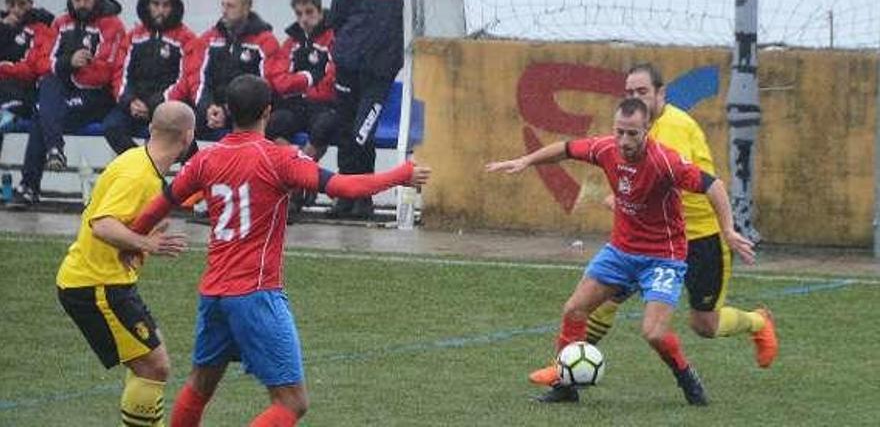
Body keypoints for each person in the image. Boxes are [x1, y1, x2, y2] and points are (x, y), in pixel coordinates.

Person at [126, 74, 430, 426]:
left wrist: (132, 239)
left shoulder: (205, 160)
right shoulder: (278, 158)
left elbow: (160, 203)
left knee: (201, 384)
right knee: (291, 402)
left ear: (227, 111)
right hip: (255, 294)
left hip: (214, 293)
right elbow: (344, 187)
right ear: (268, 112)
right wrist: (401, 173)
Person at [486, 98, 755, 405]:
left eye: (633, 134)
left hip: (663, 257)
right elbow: (565, 148)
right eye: (620, 132)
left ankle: (686, 376)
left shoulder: (664, 161)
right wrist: (526, 161)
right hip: (621, 253)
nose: (625, 141)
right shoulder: (605, 149)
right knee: (574, 309)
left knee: (653, 333)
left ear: (648, 129)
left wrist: (729, 229)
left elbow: (713, 185)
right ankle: (565, 386)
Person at [583, 63, 778, 368]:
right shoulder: (637, 128)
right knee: (606, 300)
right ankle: (566, 369)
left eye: (643, 91)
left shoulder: (674, 128)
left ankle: (758, 322)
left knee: (704, 325)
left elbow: (667, 180)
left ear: (661, 93)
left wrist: (622, 197)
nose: (636, 98)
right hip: (655, 243)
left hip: (701, 238)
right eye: (630, 92)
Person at [55, 101, 194, 426]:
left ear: (151, 129)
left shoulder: (134, 159)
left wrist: (135, 241)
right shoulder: (139, 175)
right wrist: (146, 243)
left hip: (107, 280)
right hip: (95, 285)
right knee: (154, 366)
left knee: (151, 362)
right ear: (187, 137)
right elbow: (101, 224)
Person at [10, 0, 124, 208]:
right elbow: (42, 64)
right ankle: (51, 154)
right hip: (65, 93)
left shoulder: (111, 24)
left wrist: (66, 71)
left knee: (43, 111)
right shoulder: (61, 23)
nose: (81, 4)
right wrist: (68, 63)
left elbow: (102, 72)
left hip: (97, 98)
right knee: (48, 87)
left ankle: (30, 185)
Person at [328, 0, 404, 219]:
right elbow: (335, 20)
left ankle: (363, 194)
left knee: (363, 132)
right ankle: (347, 195)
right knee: (346, 132)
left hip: (379, 75)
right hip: (348, 70)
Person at [103, 0, 196, 155]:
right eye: (155, 4)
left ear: (174, 6)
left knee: (178, 134)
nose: (160, 10)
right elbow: (120, 75)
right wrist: (130, 101)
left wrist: (157, 104)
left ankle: (186, 179)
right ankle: (142, 167)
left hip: (167, 106)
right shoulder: (133, 37)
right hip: (135, 104)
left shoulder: (186, 38)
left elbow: (186, 79)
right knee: (111, 126)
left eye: (166, 5)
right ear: (147, 5)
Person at [186, 0, 279, 141]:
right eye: (223, 5)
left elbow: (265, 87)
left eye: (230, 6)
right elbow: (198, 79)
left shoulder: (265, 41)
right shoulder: (210, 38)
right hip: (212, 112)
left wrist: (227, 111)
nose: (224, 10)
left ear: (246, 9)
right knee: (181, 124)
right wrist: (208, 107)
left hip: (247, 116)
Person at [268, 0, 336, 161]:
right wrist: (308, 78)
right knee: (273, 123)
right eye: (299, 14)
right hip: (297, 104)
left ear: (320, 11)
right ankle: (297, 169)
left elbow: (332, 79)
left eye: (309, 12)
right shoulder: (292, 42)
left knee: (325, 126)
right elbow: (280, 80)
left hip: (324, 105)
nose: (304, 19)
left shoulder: (333, 37)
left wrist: (302, 87)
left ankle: (302, 175)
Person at [0, 0, 54, 151]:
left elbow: (32, 68)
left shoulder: (40, 27)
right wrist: (4, 29)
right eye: (11, 4)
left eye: (22, 4)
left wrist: (4, 67)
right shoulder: (2, 25)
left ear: (31, 3)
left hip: (24, 92)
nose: (16, 10)